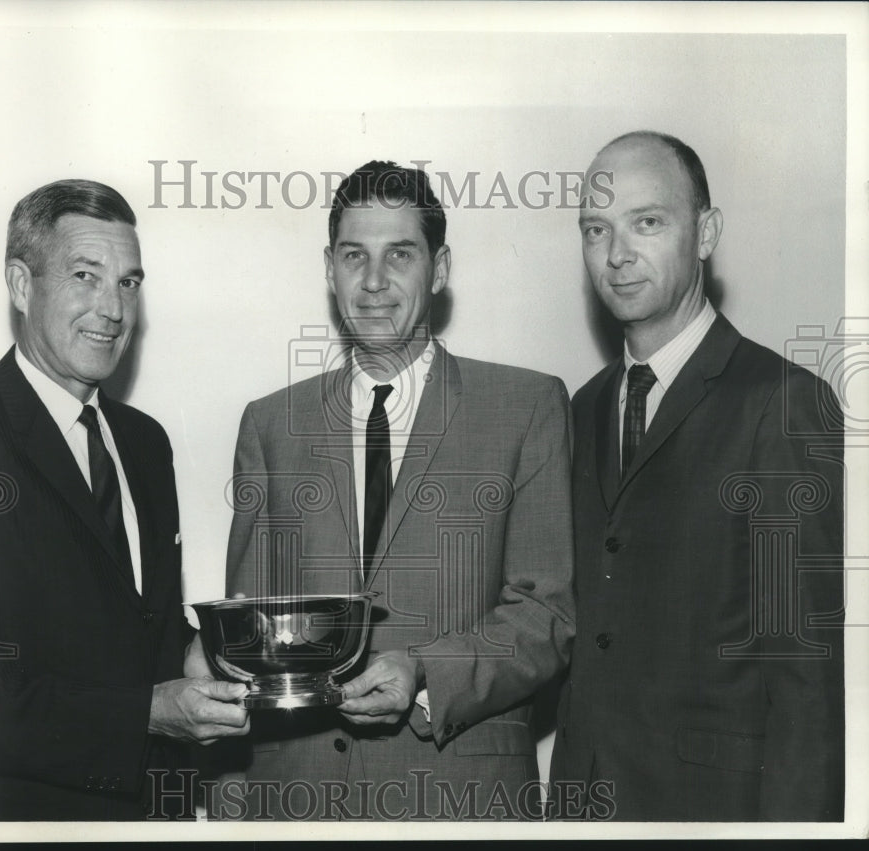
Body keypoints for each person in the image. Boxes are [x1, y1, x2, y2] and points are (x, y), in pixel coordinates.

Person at [219, 161, 575, 820]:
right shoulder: (269, 425)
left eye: (400, 255)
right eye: (355, 256)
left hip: (460, 801)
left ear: (438, 269)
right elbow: (250, 637)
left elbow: (546, 615)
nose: (375, 281)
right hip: (295, 802)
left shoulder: (526, 407)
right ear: (330, 270)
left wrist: (425, 673)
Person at [0, 179, 249, 821]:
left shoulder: (145, 443)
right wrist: (147, 714)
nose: (112, 308)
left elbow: (132, 624)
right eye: (86, 275)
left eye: (128, 283)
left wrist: (211, 651)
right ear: (22, 285)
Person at [549, 132, 845, 821]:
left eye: (647, 223)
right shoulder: (583, 406)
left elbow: (808, 684)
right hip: (583, 806)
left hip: (717, 811)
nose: (617, 254)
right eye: (597, 229)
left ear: (706, 232)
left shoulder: (781, 401)